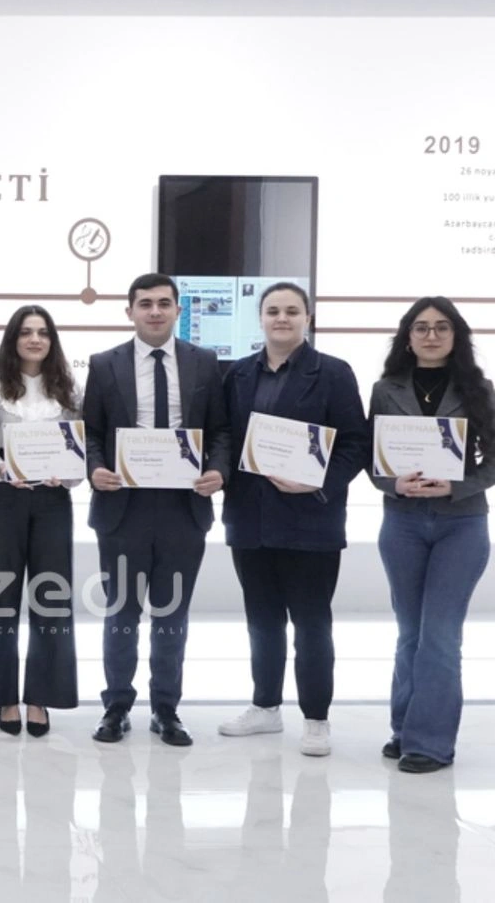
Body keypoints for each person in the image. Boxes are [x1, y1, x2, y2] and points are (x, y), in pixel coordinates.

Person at [217, 283, 368, 757]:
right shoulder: (238, 373)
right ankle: (265, 707)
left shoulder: (334, 373)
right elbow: (225, 437)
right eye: (273, 311)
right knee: (262, 622)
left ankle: (316, 717)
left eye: (291, 311)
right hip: (250, 518)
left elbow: (356, 444)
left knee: (311, 624)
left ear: (307, 318)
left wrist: (318, 482)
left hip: (311, 520)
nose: (281, 318)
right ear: (260, 318)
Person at [83, 273, 231, 747]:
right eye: (145, 303)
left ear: (178, 311)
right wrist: (95, 468)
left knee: (172, 616)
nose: (154, 311)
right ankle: (116, 707)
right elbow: (91, 432)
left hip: (183, 508)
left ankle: (166, 709)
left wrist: (218, 471)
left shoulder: (204, 362)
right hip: (122, 508)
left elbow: (221, 431)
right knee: (121, 614)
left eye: (164, 303)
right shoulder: (104, 364)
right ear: (129, 311)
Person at [368, 296, 495, 773]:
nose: (431, 335)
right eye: (421, 327)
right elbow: (372, 459)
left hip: (461, 524)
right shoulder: (385, 390)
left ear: (456, 336)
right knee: (410, 632)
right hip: (402, 522)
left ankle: (430, 744)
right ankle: (404, 728)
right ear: (407, 337)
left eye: (442, 327)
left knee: (440, 635)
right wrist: (393, 483)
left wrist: (457, 486)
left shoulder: (480, 389)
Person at [0, 304, 82, 737]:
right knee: (1, 600)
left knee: (51, 600)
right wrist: (1, 470)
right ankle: (3, 696)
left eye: (43, 332)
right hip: (5, 499)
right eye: (25, 332)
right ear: (13, 339)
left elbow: (80, 448)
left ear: (52, 341)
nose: (35, 339)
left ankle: (41, 696)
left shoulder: (70, 389)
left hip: (53, 500)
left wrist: (67, 474)